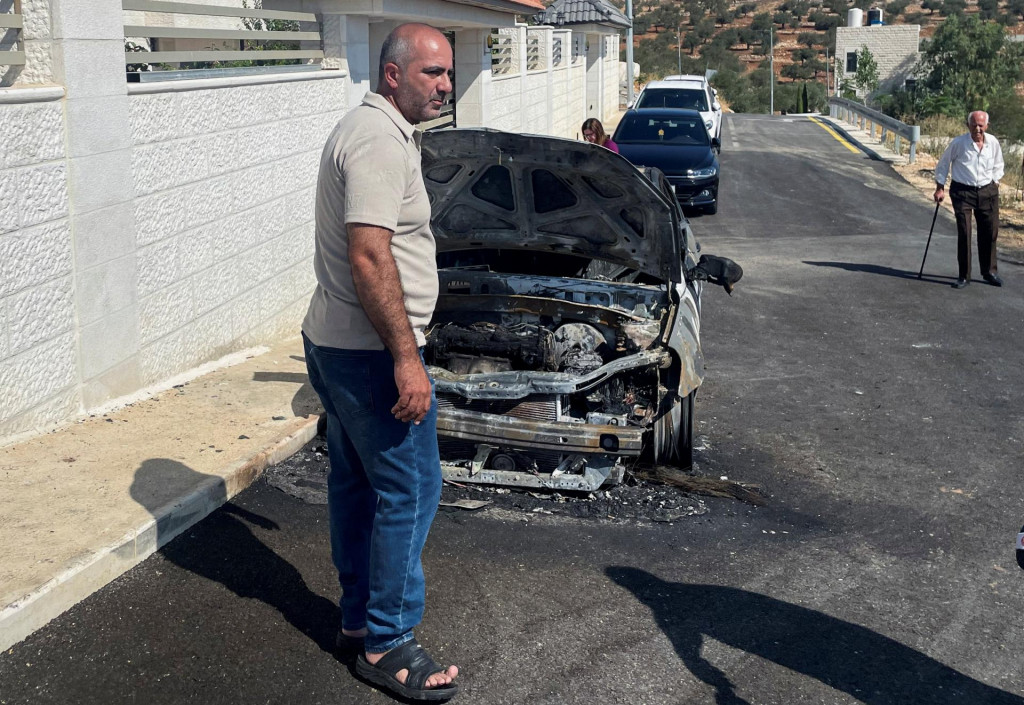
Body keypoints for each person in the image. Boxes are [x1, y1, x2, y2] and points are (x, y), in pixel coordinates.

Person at [301, 23, 459, 701]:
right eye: (432, 73)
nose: (446, 84)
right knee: (414, 488)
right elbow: (369, 254)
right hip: (369, 353)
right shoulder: (374, 139)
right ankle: (389, 642)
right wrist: (405, 358)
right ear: (392, 75)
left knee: (357, 484)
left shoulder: (376, 131)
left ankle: (360, 617)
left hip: (338, 342)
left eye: (448, 72)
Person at [933, 110, 1005, 289]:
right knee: (965, 233)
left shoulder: (993, 143)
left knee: (989, 232)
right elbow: (943, 164)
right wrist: (940, 187)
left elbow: (999, 164)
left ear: (987, 126)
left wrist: (995, 182)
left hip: (987, 191)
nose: (978, 129)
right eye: (974, 125)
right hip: (962, 192)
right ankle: (964, 275)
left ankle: (989, 272)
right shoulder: (958, 143)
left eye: (981, 125)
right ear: (968, 125)